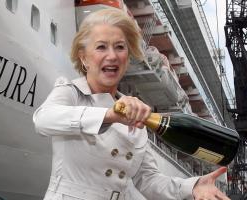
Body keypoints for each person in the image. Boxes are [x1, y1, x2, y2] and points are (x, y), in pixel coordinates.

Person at [33, 8, 230, 200]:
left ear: (127, 58)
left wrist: (192, 187)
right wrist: (109, 116)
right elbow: (43, 120)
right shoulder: (72, 92)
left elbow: (147, 180)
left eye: (120, 47)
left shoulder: (137, 115)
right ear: (84, 58)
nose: (112, 56)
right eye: (101, 47)